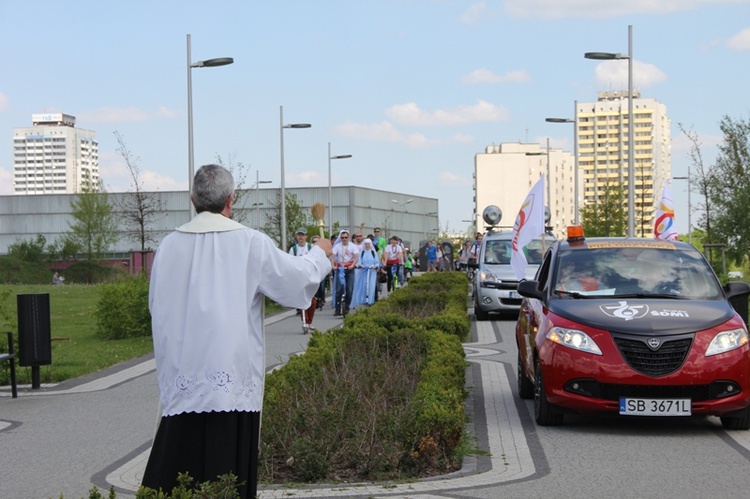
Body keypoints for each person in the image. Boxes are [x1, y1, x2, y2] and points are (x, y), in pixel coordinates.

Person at [142, 164, 332, 499]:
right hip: (230, 383)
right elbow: (296, 281)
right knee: (227, 480)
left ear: (192, 200)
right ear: (232, 200)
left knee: (176, 479)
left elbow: (155, 305)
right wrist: (320, 254)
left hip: (183, 377)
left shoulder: (168, 247)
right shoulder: (249, 243)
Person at [289, 227, 318, 332]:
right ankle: (304, 322)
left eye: (303, 235)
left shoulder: (311, 247)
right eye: (299, 235)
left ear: (306, 236)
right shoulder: (293, 249)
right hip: (299, 278)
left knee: (313, 301)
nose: (301, 237)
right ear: (296, 236)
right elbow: (290, 263)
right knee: (302, 300)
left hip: (310, 277)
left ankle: (309, 322)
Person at [331, 229, 358, 316]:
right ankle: (337, 308)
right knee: (338, 290)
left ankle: (347, 307)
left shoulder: (353, 246)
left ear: (348, 237)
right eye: (342, 238)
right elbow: (333, 256)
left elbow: (356, 257)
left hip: (349, 269)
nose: (344, 239)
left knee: (349, 290)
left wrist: (353, 264)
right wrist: (333, 265)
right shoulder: (337, 246)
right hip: (340, 269)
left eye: (346, 237)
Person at [351, 238, 381, 308]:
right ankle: (363, 300)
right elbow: (359, 262)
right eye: (366, 244)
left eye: (368, 244)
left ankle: (370, 300)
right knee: (363, 285)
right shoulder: (362, 253)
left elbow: (377, 262)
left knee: (371, 285)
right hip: (363, 272)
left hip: (372, 272)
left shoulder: (374, 253)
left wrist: (375, 266)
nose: (367, 245)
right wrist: (361, 265)